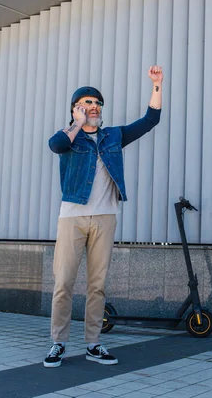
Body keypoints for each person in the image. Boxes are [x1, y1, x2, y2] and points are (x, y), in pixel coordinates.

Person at [43, 66, 164, 368]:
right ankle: (58, 342)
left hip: (106, 216)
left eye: (96, 103)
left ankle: (93, 344)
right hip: (72, 216)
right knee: (64, 283)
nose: (93, 107)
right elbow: (56, 145)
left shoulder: (113, 136)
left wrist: (157, 85)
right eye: (86, 103)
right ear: (75, 109)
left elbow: (150, 120)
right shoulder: (68, 137)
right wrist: (77, 123)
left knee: (97, 285)